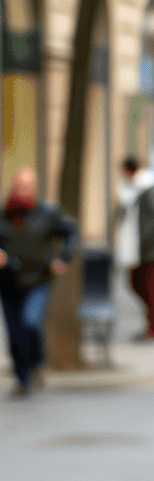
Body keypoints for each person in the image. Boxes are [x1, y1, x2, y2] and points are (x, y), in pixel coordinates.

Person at [0, 167, 78, 397]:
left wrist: (63, 258)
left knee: (31, 322)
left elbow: (70, 231)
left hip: (38, 281)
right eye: (20, 186)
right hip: (7, 283)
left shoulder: (47, 212)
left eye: (29, 187)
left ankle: (37, 361)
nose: (24, 191)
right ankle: (22, 378)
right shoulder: (4, 214)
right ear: (13, 186)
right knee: (14, 334)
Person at [113, 155, 154, 340]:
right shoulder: (134, 189)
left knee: (149, 285)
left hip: (148, 248)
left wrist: (144, 241)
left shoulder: (147, 188)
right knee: (135, 282)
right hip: (137, 247)